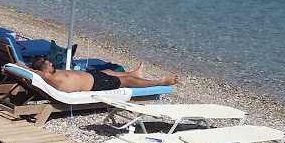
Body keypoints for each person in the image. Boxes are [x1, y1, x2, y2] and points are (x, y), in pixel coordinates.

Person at [27, 56, 178, 93]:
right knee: (129, 81)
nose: (52, 64)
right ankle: (161, 82)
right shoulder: (52, 80)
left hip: (93, 76)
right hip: (96, 84)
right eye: (49, 64)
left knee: (109, 71)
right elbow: (51, 81)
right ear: (44, 70)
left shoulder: (51, 74)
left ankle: (135, 73)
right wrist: (39, 74)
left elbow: (21, 65)